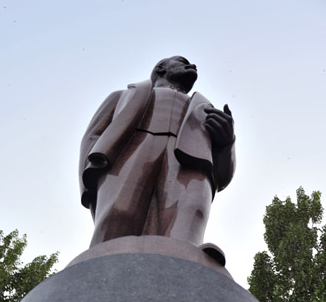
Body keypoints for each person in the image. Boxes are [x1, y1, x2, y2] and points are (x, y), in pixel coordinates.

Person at [79, 56, 235, 249]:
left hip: (190, 159)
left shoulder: (205, 109)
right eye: (183, 61)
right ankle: (104, 254)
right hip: (133, 151)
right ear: (161, 68)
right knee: (120, 211)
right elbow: (92, 136)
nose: (192, 65)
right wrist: (88, 183)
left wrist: (226, 144)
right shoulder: (122, 96)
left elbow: (222, 177)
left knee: (188, 211)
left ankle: (188, 252)